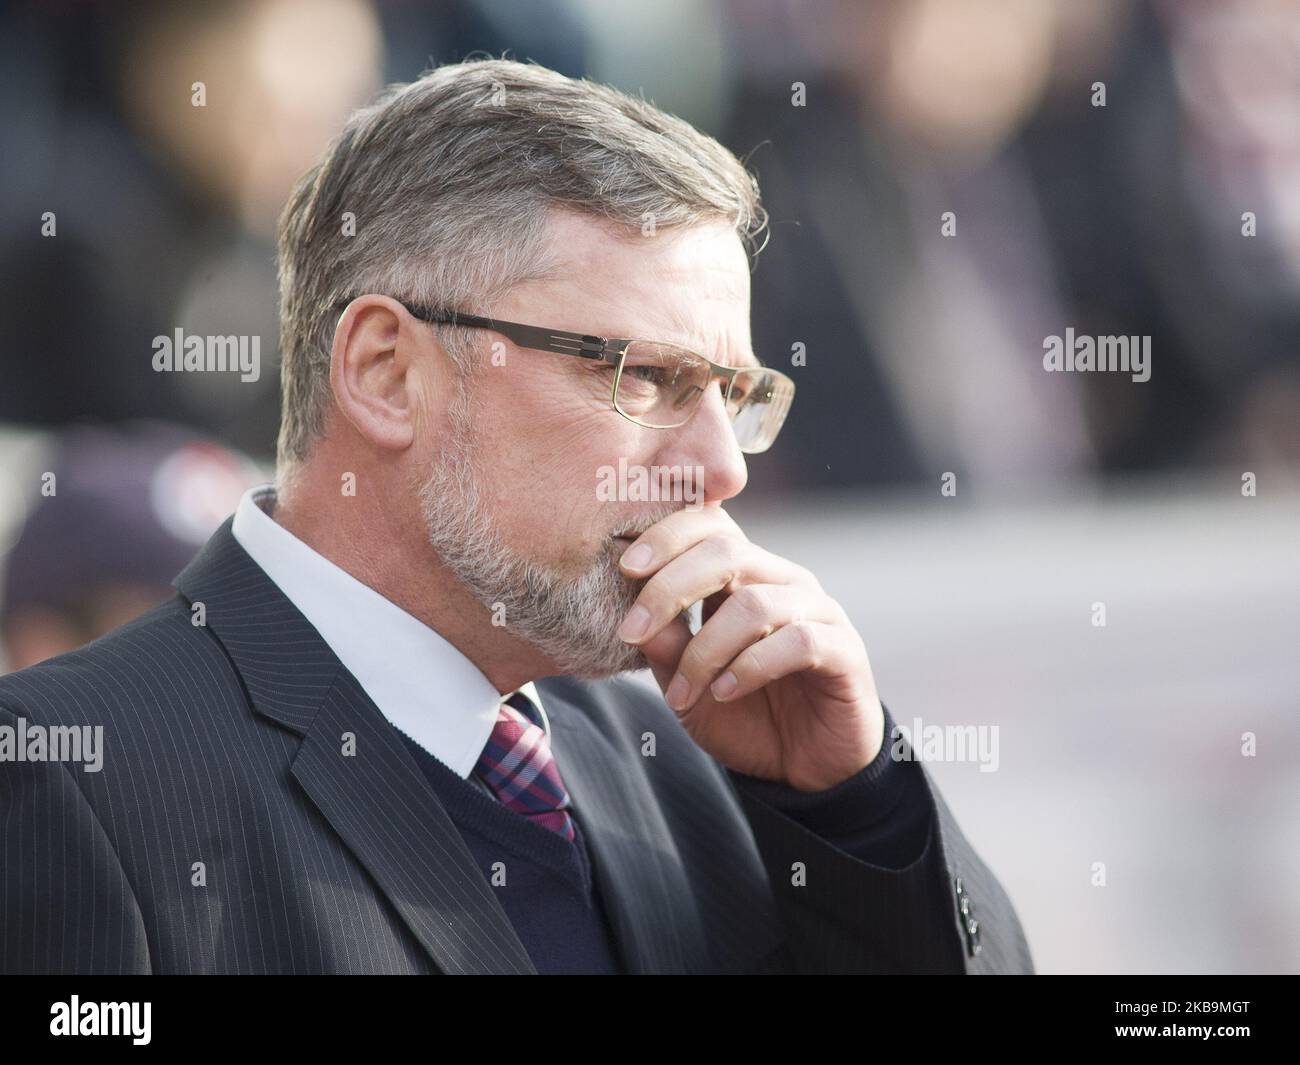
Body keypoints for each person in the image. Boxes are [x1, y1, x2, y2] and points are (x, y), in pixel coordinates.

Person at [0, 58, 1032, 974]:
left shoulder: (705, 751)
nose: (719, 468)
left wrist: (852, 805)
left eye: (738, 396)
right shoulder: (67, 778)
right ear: (386, 371)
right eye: (649, 379)